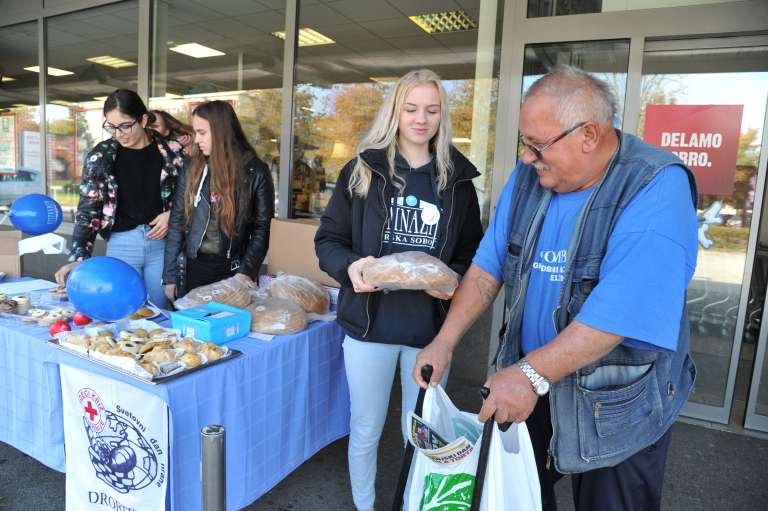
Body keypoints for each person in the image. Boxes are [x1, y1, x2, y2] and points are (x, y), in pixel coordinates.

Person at [413, 65, 699, 511]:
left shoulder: (655, 185)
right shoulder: (529, 179)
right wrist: (444, 342)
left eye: (537, 145)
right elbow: (488, 268)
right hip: (533, 382)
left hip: (613, 405)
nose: (526, 157)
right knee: (520, 499)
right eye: (525, 143)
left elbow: (618, 312)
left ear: (588, 134)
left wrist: (530, 373)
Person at [315, 69, 483, 511]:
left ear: (442, 115)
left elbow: (473, 252)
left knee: (422, 431)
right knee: (366, 428)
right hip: (368, 328)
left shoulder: (459, 182)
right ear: (395, 111)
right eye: (411, 109)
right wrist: (349, 267)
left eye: (431, 110)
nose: (420, 119)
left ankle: (412, 503)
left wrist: (455, 281)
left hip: (429, 333)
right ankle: (364, 505)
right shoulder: (362, 171)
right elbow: (328, 241)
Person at [54, 89, 186, 308]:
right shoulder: (101, 155)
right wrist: (78, 257)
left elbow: (193, 196)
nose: (118, 133)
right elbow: (88, 211)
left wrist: (173, 215)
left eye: (125, 125)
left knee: (162, 310)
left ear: (143, 120)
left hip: (164, 244)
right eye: (111, 126)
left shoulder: (172, 152)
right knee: (124, 309)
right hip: (122, 243)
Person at [162, 100, 274, 299]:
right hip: (193, 269)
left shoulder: (255, 171)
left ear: (221, 131)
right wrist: (169, 276)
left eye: (202, 133)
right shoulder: (191, 168)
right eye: (196, 133)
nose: (196, 140)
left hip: (234, 272)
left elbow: (262, 228)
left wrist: (246, 272)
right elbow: (177, 221)